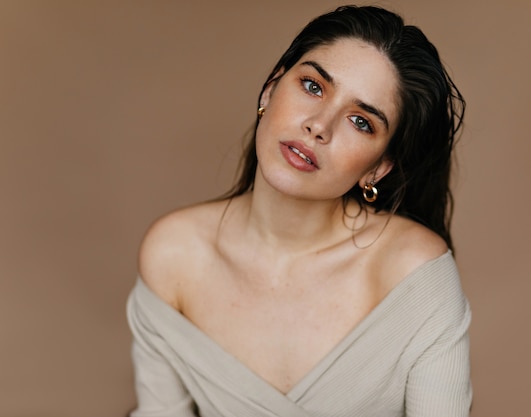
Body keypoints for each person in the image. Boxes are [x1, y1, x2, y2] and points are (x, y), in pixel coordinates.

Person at [127, 5, 471, 417]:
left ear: (378, 167)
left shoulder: (413, 275)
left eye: (361, 121)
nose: (319, 125)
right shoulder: (174, 254)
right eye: (312, 86)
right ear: (271, 90)